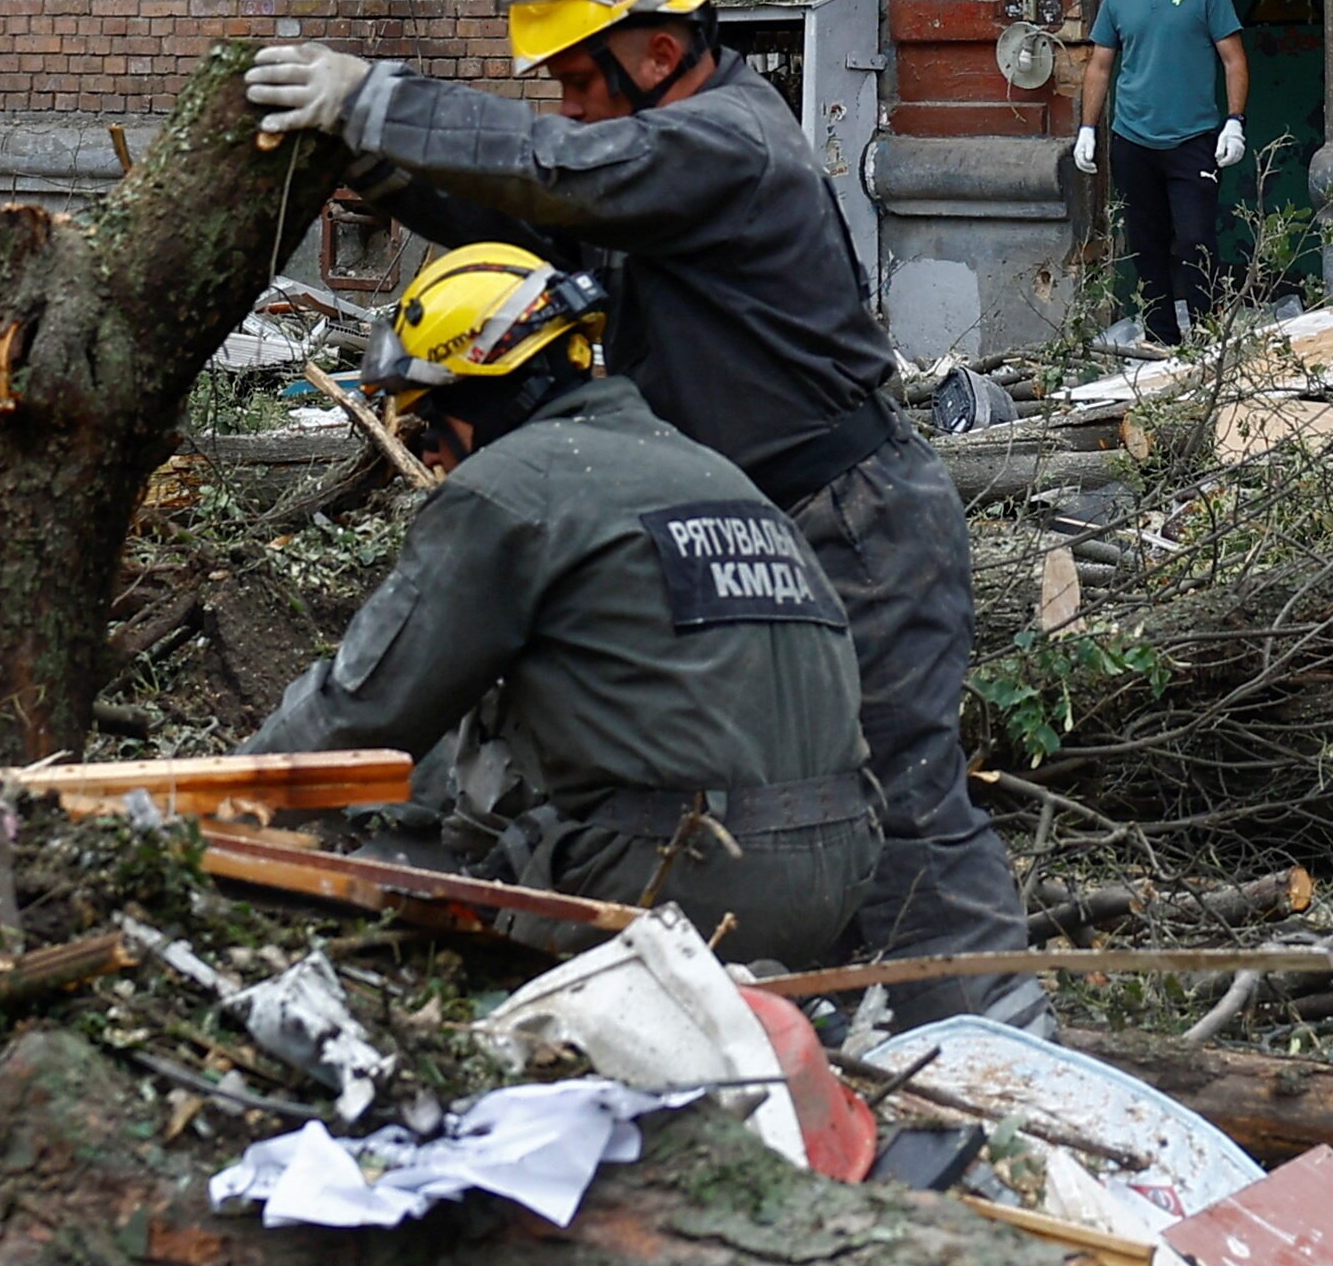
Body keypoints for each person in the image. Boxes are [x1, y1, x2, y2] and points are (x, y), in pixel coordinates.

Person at [248, 0, 1038, 1023]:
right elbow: (530, 216)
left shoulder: (725, 143)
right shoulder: (657, 167)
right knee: (750, 799)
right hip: (764, 514)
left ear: (658, 51)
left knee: (893, 794)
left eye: (577, 77)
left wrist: (372, 100)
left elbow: (563, 174)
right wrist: (383, 171)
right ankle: (818, 1028)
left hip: (848, 519)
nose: (565, 104)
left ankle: (989, 1044)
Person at [249, 244, 876, 961]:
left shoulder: (509, 489)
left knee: (386, 875)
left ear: (483, 388)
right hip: (842, 868)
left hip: (677, 880)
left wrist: (212, 803)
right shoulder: (711, 473)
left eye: (426, 424)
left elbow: (364, 712)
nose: (425, 456)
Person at [1074, 0, 1250, 349]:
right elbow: (1099, 66)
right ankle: (1160, 340)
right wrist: (1087, 128)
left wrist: (1235, 120)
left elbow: (1233, 60)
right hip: (1132, 139)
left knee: (1195, 242)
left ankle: (1208, 339)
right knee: (1145, 244)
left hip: (1192, 139)